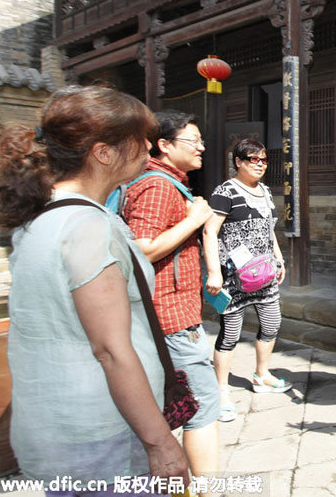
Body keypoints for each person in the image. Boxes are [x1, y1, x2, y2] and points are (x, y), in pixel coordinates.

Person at [0, 86, 188, 495]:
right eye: (140, 138)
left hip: (55, 427)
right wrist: (161, 443)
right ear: (104, 152)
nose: (149, 147)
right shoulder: (87, 227)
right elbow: (111, 350)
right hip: (104, 436)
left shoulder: (40, 216)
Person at [123, 110, 220, 487]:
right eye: (193, 141)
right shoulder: (158, 186)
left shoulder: (165, 183)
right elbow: (142, 249)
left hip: (167, 317)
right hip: (172, 319)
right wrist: (194, 220)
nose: (201, 147)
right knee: (203, 410)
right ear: (164, 145)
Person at [203, 139, 292, 423]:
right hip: (234, 276)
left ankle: (262, 374)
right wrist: (214, 272)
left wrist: (279, 258)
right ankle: (221, 392)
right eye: (253, 159)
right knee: (230, 334)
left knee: (272, 323)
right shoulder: (225, 192)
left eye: (263, 160)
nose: (260, 164)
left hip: (264, 273)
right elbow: (209, 231)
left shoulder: (264, 191)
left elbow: (269, 230)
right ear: (238, 162)